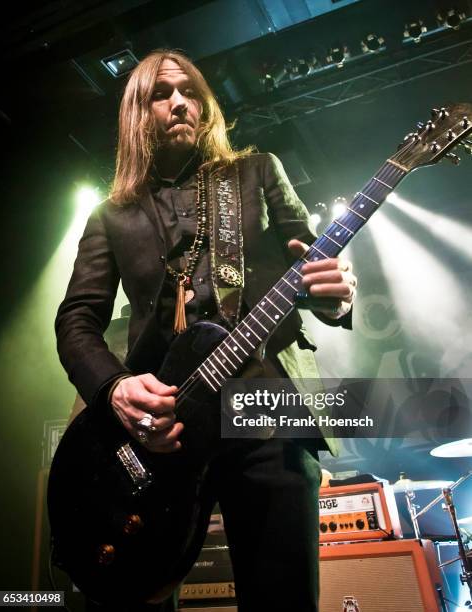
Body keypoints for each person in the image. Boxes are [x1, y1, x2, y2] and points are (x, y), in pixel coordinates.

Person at [55, 49, 357, 612]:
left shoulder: (256, 171)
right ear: (136, 115)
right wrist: (114, 387)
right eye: (162, 94)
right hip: (161, 424)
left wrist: (334, 298)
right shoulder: (110, 215)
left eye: (190, 91)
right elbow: (76, 320)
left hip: (265, 406)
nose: (180, 102)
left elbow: (313, 269)